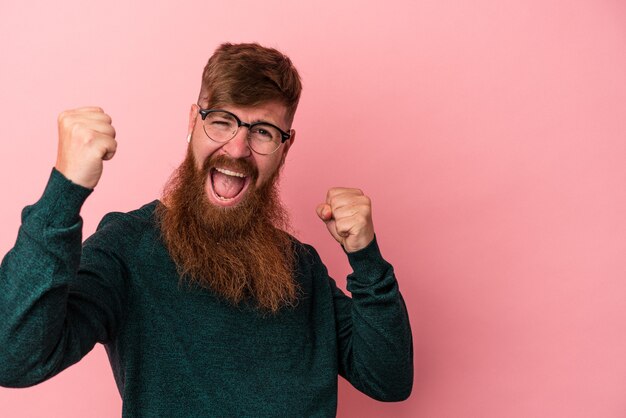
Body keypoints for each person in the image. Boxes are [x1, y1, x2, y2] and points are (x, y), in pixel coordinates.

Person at [0, 42, 413, 417]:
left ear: (285, 149)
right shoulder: (127, 247)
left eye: (263, 132)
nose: (237, 148)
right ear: (193, 122)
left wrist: (366, 258)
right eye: (222, 121)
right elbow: (13, 357)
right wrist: (64, 192)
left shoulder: (302, 266)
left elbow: (388, 381)